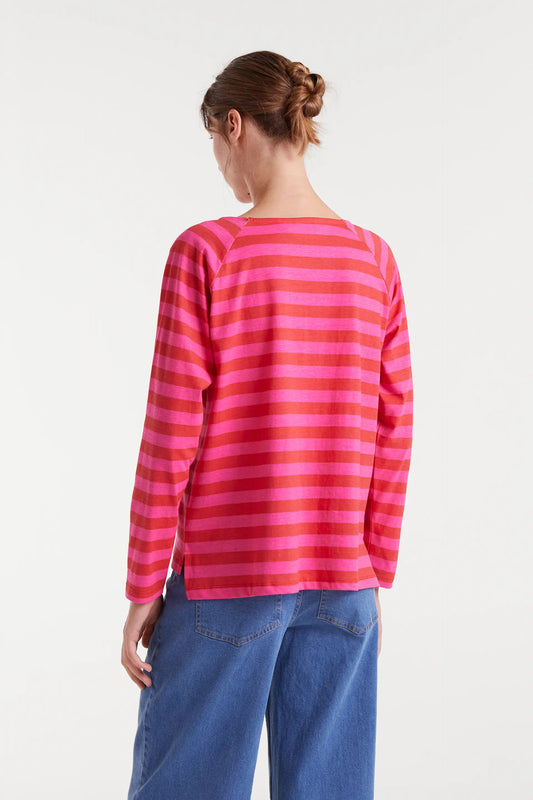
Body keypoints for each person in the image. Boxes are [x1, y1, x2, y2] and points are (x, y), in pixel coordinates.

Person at [121, 50, 413, 800]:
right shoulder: (373, 260)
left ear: (233, 125)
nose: (221, 167)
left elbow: (170, 432)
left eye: (215, 145)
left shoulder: (208, 252)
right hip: (342, 582)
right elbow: (394, 430)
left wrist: (144, 582)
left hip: (227, 578)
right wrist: (372, 568)